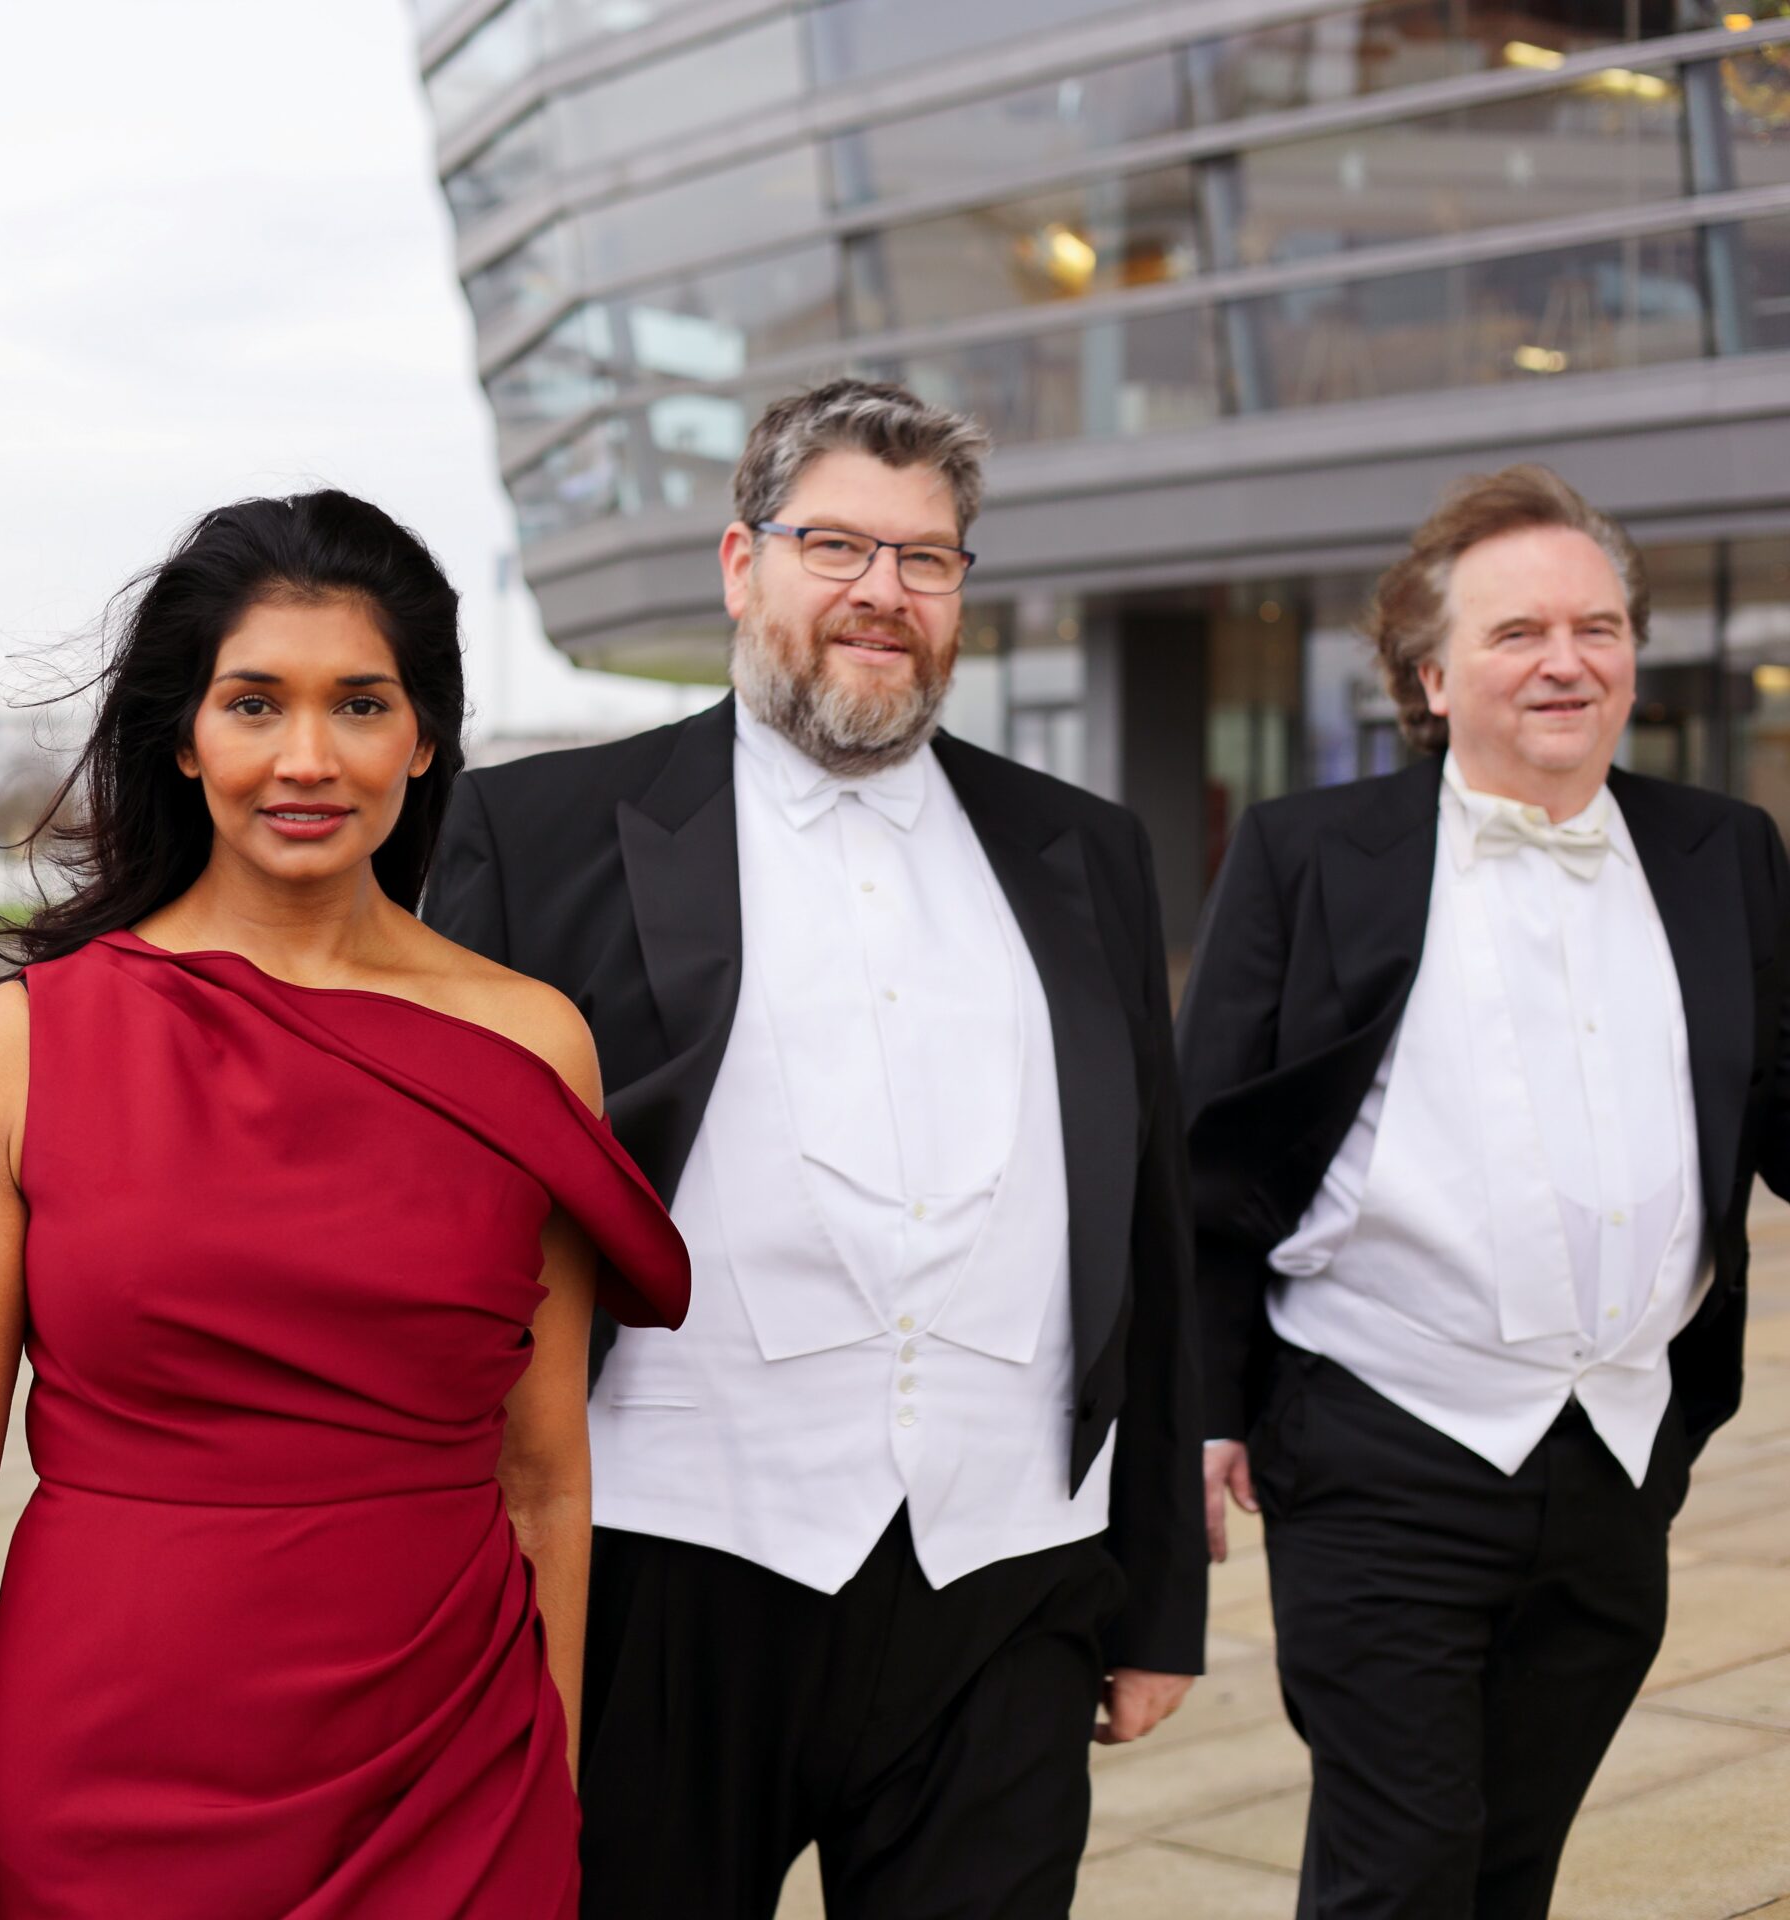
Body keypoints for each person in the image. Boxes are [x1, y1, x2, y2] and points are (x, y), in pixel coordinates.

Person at [423, 376, 1207, 1919]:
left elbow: (1149, 1227)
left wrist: (1158, 1592)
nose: (881, 592)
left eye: (926, 558)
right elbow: (446, 1229)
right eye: (836, 546)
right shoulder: (537, 831)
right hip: (665, 1568)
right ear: (743, 564)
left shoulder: (1088, 849)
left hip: (1009, 1576)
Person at [0, 490, 689, 1919]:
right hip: (101, 1780)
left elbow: (547, 1478)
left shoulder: (534, 1042)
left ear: (423, 736)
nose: (307, 758)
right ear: (186, 737)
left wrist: (542, 1798)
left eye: (359, 703)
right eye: (255, 704)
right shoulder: (27, 1047)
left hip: (451, 1777)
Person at [1175, 465, 1789, 1920]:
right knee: (1401, 1867)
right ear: (1432, 676)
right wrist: (1201, 1409)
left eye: (1597, 627)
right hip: (1379, 1439)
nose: (1566, 660)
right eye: (1518, 632)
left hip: (1621, 1451)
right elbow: (1205, 1157)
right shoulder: (1307, 854)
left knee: (1512, 1864)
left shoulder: (1724, 852)